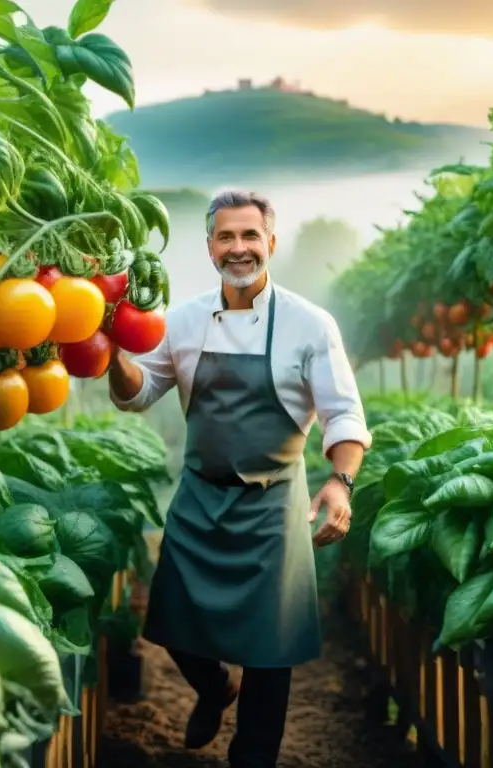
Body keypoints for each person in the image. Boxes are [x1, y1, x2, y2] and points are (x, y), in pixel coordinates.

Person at [108, 189, 371, 767]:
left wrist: (340, 482)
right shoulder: (182, 320)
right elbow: (140, 391)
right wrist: (110, 352)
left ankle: (252, 758)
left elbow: (344, 413)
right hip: (200, 495)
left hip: (275, 503)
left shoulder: (309, 324)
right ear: (209, 248)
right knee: (171, 621)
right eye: (226, 236)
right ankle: (212, 686)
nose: (239, 248)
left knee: (269, 653)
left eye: (250, 236)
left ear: (270, 243)